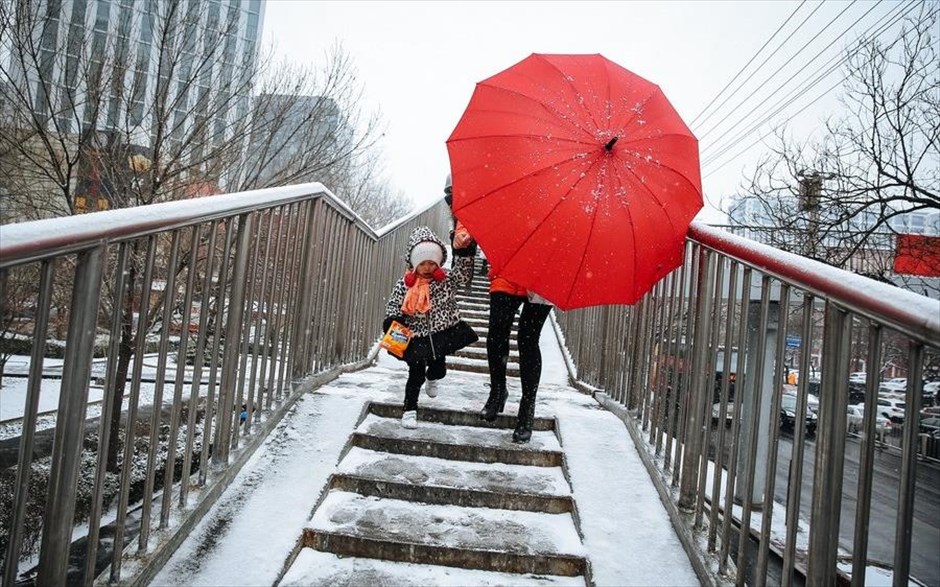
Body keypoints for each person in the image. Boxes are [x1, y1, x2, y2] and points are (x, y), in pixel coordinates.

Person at [444, 174, 553, 444]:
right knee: (496, 334)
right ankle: (498, 390)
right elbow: (474, 218)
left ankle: (526, 410)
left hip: (544, 271)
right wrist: (461, 239)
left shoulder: (561, 189)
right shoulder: (510, 176)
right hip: (507, 266)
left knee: (528, 341)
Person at [383, 225, 477, 429]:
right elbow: (393, 304)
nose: (427, 267)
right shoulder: (405, 284)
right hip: (415, 336)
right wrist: (392, 321)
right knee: (415, 374)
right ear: (414, 264)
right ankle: (409, 409)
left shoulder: (446, 281)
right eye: (423, 263)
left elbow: (463, 275)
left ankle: (433, 377)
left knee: (438, 369)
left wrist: (463, 250)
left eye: (432, 263)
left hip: (440, 334)